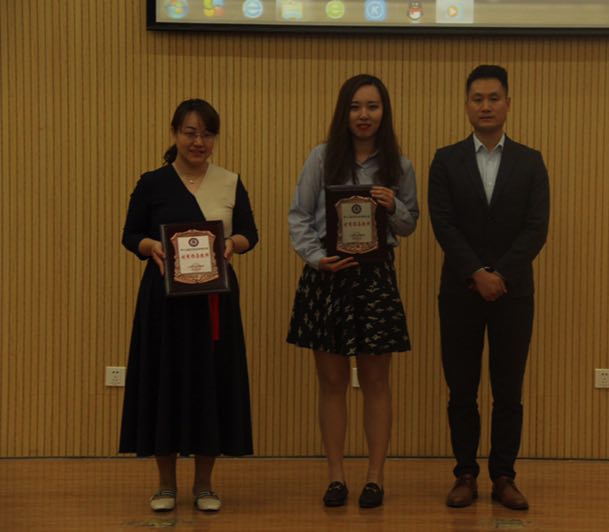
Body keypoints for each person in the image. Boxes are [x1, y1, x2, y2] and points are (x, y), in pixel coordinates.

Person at [119, 99, 259, 513]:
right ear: (175, 134)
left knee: (210, 383)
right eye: (190, 132)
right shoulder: (153, 182)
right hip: (163, 302)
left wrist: (232, 244)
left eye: (207, 134)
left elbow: (250, 233)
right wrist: (151, 246)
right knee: (164, 381)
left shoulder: (229, 181)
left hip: (215, 302)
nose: (199, 142)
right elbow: (130, 235)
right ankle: (165, 485)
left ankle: (204, 485)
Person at [287, 74, 419, 509]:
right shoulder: (321, 158)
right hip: (327, 276)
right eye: (355, 106)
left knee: (377, 382)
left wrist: (393, 206)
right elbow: (299, 216)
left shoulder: (400, 166)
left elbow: (410, 224)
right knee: (332, 382)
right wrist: (315, 257)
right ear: (344, 112)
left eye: (372, 106)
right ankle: (336, 477)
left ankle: (375, 478)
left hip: (375, 278)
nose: (364, 115)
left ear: (384, 112)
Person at [427, 65, 550, 510]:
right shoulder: (446, 160)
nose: (485, 106)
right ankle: (465, 474)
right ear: (466, 106)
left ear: (508, 104)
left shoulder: (531, 161)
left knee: (508, 390)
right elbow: (443, 224)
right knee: (461, 390)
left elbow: (536, 228)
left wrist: (500, 275)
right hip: (460, 291)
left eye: (493, 98)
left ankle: (504, 476)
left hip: (513, 294)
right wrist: (477, 273)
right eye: (477, 98)